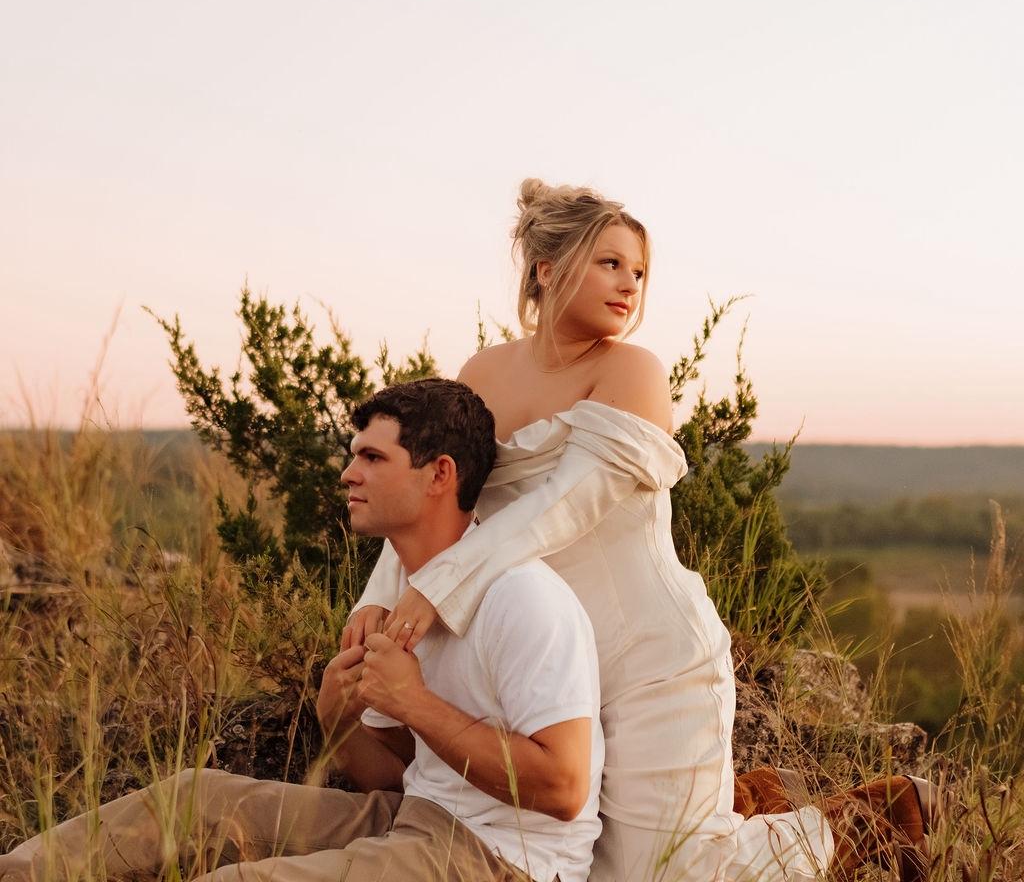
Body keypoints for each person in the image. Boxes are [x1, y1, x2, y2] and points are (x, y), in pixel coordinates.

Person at [343, 179, 936, 882]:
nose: (630, 284)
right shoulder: (483, 373)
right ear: (547, 270)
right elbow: (433, 496)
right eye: (610, 263)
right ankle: (747, 799)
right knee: (589, 868)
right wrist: (376, 602)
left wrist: (437, 588)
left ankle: (868, 819)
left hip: (648, 655)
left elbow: (564, 505)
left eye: (639, 271)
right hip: (543, 662)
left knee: (665, 872)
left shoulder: (634, 372)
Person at [0, 379, 604, 882]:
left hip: (506, 861)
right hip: (413, 818)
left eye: (372, 458)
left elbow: (564, 788)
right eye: (354, 454)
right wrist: (337, 721)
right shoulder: (403, 593)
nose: (347, 474)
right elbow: (397, 778)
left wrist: (413, 701)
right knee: (190, 799)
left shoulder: (521, 597)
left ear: (440, 474)